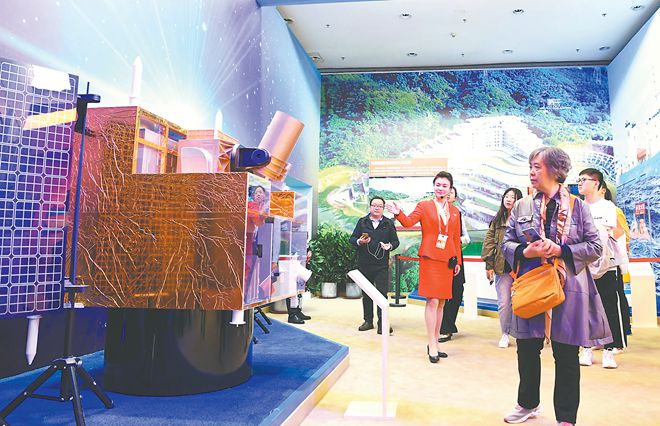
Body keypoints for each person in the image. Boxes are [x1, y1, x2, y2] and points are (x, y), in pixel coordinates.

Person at [501, 147, 611, 425]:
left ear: (555, 169)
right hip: (531, 285)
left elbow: (595, 246)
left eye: (537, 166)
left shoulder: (578, 206)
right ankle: (527, 404)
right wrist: (525, 251)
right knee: (527, 347)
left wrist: (561, 250)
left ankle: (566, 417)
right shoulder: (522, 206)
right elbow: (506, 244)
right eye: (530, 166)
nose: (531, 172)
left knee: (566, 353)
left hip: (568, 288)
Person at [386, 171, 462, 363]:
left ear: (450, 189)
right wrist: (398, 213)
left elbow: (455, 238)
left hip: (447, 260)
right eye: (438, 185)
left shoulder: (455, 212)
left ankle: (435, 342)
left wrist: (458, 261)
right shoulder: (424, 206)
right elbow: (408, 222)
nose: (441, 188)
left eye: (445, 186)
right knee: (433, 301)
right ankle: (431, 344)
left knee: (442, 302)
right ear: (434, 186)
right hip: (430, 258)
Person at [577, 169, 628, 368]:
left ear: (596, 184)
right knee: (585, 309)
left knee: (609, 309)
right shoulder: (577, 207)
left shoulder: (608, 207)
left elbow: (614, 233)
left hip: (607, 265)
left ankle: (609, 351)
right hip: (584, 266)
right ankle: (586, 349)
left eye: (584, 180)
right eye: (579, 180)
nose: (580, 183)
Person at [349, 196, 400, 335]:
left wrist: (389, 246)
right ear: (370, 207)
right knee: (367, 293)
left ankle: (383, 323)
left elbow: (396, 242)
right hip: (364, 264)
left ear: (383, 208)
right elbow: (352, 239)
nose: (376, 208)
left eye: (379, 206)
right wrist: (359, 241)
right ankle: (368, 321)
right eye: (374, 205)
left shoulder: (388, 223)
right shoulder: (362, 222)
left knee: (382, 294)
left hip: (381, 264)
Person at [481, 187, 523, 348]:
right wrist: (489, 265)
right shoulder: (497, 220)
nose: (509, 199)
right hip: (502, 268)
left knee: (521, 302)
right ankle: (505, 333)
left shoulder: (523, 220)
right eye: (506, 196)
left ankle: (522, 334)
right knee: (504, 303)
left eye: (512, 197)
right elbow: (489, 243)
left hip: (520, 269)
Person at [438, 186, 469, 342]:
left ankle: (448, 325)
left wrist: (454, 240)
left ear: (455, 198)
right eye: (447, 192)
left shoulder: (457, 213)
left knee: (457, 291)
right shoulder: (435, 212)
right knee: (441, 293)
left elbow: (466, 237)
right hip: (439, 256)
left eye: (452, 193)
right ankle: (442, 327)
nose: (448, 195)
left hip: (455, 256)